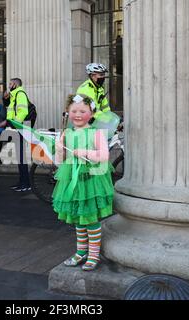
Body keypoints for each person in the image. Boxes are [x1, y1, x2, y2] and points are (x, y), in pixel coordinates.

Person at [52, 94, 115, 271]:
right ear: (67, 112)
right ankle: (81, 251)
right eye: (73, 111)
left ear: (91, 113)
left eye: (82, 111)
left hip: (91, 181)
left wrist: (86, 152)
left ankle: (93, 254)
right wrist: (58, 150)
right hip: (72, 179)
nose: (77, 114)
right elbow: (59, 160)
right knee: (79, 218)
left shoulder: (96, 133)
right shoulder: (67, 133)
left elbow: (104, 156)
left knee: (90, 217)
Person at [6, 78, 31, 192]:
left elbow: (23, 111)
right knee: (20, 157)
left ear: (15, 84)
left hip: (19, 128)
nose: (9, 86)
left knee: (21, 157)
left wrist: (15, 124)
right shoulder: (14, 95)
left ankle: (25, 183)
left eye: (10, 84)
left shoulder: (20, 93)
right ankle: (22, 182)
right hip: (17, 128)